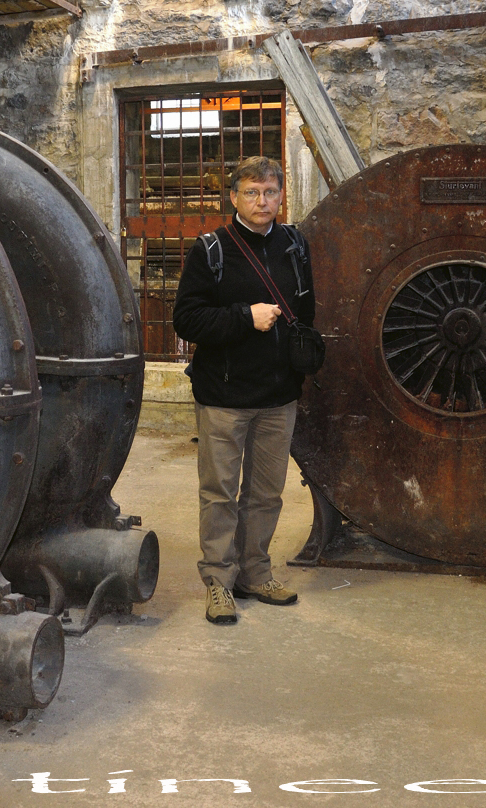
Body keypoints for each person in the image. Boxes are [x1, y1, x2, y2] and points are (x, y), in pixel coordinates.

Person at [172, 155, 315, 625]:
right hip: (224, 397)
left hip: (278, 395)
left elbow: (307, 311)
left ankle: (256, 573)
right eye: (252, 192)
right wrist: (244, 317)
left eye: (270, 192)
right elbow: (186, 320)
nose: (262, 201)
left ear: (281, 196)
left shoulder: (295, 245)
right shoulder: (211, 250)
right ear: (234, 197)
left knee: (266, 493)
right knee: (219, 494)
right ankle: (219, 580)